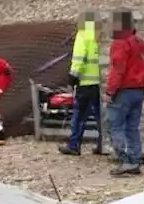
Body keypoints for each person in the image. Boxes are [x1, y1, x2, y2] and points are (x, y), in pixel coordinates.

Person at [105, 10, 144, 176]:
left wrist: (109, 92)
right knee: (132, 128)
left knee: (115, 126)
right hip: (139, 90)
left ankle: (125, 161)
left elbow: (118, 70)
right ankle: (135, 160)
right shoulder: (139, 42)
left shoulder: (120, 43)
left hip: (123, 91)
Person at [58, 12, 102, 157]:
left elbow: (79, 57)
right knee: (101, 116)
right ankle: (103, 145)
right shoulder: (99, 35)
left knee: (79, 116)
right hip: (100, 83)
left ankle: (74, 145)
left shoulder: (83, 35)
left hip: (85, 83)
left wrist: (73, 76)